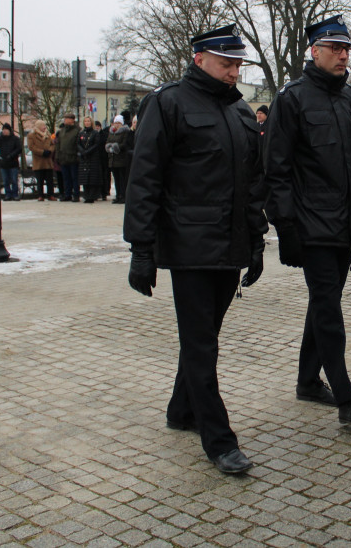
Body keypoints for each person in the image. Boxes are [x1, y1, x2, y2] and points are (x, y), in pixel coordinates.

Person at [124, 24, 267, 475]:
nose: (234, 71)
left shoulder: (241, 110)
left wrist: (257, 239)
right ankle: (219, 440)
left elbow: (252, 184)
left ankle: (181, 410)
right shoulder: (167, 103)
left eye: (238, 64)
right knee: (201, 343)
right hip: (188, 246)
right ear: (199, 58)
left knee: (204, 338)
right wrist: (141, 249)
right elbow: (144, 179)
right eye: (227, 63)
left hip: (230, 245)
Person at [264, 14, 351, 426]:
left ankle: (307, 381)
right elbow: (276, 169)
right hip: (312, 225)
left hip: (347, 224)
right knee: (328, 307)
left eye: (346, 49)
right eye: (334, 48)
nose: (343, 55)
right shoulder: (293, 99)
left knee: (326, 302)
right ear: (314, 50)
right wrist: (285, 228)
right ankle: (345, 397)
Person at [106, 114, 134, 204]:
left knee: (122, 179)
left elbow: (124, 143)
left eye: (118, 123)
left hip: (121, 158)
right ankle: (118, 195)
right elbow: (108, 141)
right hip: (113, 159)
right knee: (116, 178)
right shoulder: (111, 132)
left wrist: (115, 147)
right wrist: (109, 147)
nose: (116, 124)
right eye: (115, 123)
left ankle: (123, 195)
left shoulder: (125, 132)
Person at [27, 120, 56, 201]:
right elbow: (31, 147)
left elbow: (52, 145)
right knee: (40, 180)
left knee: (49, 180)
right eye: (43, 126)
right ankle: (41, 195)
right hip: (38, 160)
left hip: (48, 161)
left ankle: (50, 195)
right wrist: (42, 152)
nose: (44, 127)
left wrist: (50, 150)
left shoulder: (48, 135)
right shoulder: (31, 135)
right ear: (39, 126)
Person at [77, 116, 103, 203]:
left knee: (92, 177)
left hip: (93, 157)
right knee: (84, 177)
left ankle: (92, 196)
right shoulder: (81, 133)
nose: (87, 123)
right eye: (85, 121)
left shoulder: (95, 133)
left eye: (88, 121)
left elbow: (96, 144)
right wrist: (82, 151)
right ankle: (86, 195)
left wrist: (88, 151)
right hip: (84, 158)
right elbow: (78, 144)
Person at [55, 113, 80, 201]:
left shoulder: (77, 130)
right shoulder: (62, 131)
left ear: (72, 120)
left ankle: (76, 194)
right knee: (66, 178)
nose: (65, 120)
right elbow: (58, 144)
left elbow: (78, 144)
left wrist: (77, 156)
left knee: (74, 178)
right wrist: (57, 156)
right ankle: (67, 194)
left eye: (67, 119)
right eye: (65, 118)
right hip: (63, 158)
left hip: (73, 158)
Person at [0, 124, 23, 201]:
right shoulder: (0, 139)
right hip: (4, 163)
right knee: (5, 180)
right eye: (3, 129)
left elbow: (19, 149)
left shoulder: (15, 139)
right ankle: (8, 194)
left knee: (14, 180)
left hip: (13, 163)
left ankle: (15, 194)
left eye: (6, 129)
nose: (4, 131)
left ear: (9, 130)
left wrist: (11, 155)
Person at [95, 120, 110, 197]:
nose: (96, 127)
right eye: (95, 126)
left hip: (103, 158)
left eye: (98, 126)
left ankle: (105, 191)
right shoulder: (93, 134)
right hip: (95, 158)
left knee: (104, 175)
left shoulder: (103, 134)